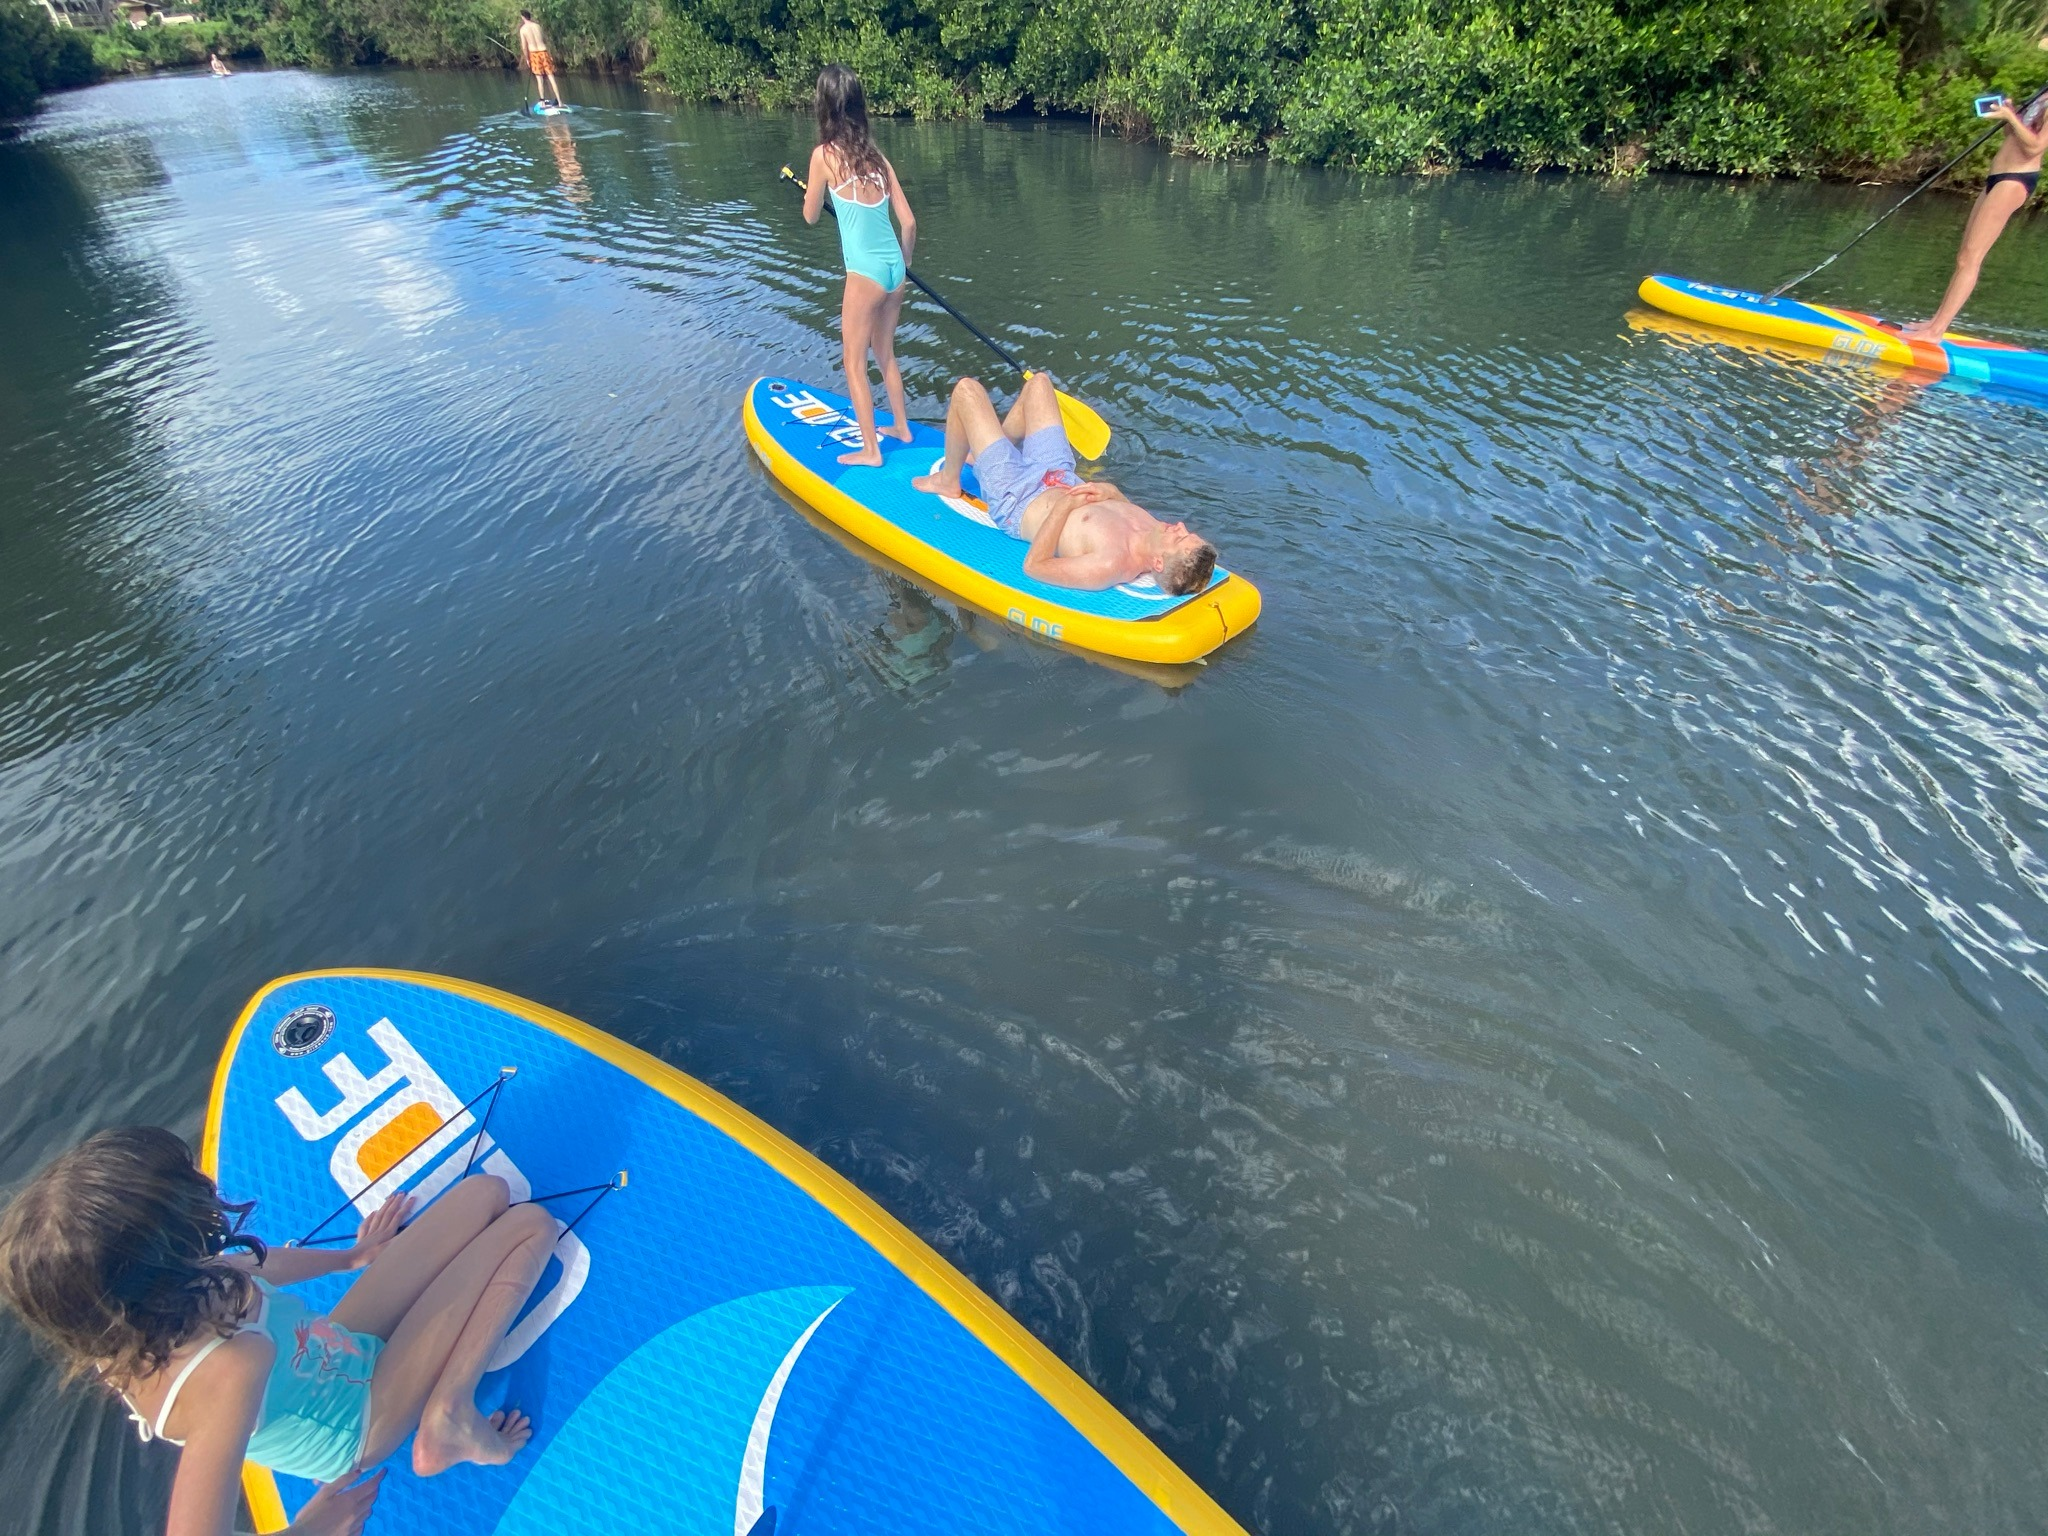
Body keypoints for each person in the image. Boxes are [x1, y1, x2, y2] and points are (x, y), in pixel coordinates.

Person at [0, 1127, 559, 1536]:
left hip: (331, 1352)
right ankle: (450, 1417)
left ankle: (436, 1392)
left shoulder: (140, 1309)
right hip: (358, 1422)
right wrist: (310, 1530)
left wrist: (354, 1258)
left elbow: (256, 1265)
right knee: (529, 1227)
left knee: (484, 1195)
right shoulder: (228, 1370)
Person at [912, 374, 1218, 595]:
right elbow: (1119, 508)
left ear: (1158, 563)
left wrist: (1066, 506)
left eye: (1180, 538)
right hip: (1057, 474)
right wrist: (1111, 492)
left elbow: (1035, 566)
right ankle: (985, 456)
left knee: (967, 390)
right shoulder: (1153, 530)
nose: (1179, 526)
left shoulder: (1110, 563)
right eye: (1186, 532)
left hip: (1016, 497)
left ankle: (949, 479)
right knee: (1039, 385)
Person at [802, 65, 916, 467]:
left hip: (865, 274)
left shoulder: (823, 157)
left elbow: (811, 215)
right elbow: (909, 222)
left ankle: (871, 451)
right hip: (894, 271)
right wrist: (904, 261)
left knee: (854, 361)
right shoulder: (878, 158)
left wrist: (815, 190)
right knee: (884, 352)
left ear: (825, 107)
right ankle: (901, 426)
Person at [1903, 86, 2047, 338]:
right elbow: (2011, 136)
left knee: (1972, 257)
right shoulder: (2041, 94)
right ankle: (1933, 323)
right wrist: (2010, 113)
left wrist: (2011, 116)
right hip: (1998, 176)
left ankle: (1937, 331)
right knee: (1963, 255)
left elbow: (2036, 147)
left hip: (2016, 179)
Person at [516, 10, 562, 109]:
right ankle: (560, 101)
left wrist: (527, 59)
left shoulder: (523, 30)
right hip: (544, 51)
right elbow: (544, 40)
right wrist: (549, 54)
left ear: (523, 17)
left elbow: (524, 47)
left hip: (534, 54)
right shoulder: (538, 26)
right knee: (551, 77)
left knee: (539, 79)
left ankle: (542, 102)